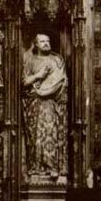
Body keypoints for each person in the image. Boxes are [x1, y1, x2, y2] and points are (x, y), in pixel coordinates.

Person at [22, 34, 68, 182]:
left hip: (52, 103)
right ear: (35, 44)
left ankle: (52, 167)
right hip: (35, 104)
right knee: (36, 136)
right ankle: (36, 168)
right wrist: (39, 75)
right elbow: (24, 82)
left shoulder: (57, 60)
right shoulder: (31, 61)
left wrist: (57, 88)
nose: (46, 44)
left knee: (51, 131)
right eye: (42, 41)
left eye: (48, 41)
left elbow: (62, 81)